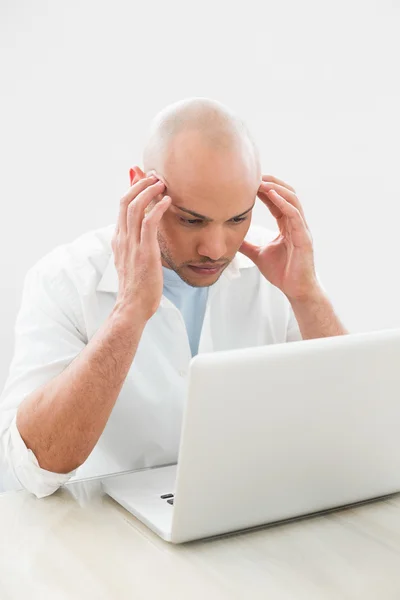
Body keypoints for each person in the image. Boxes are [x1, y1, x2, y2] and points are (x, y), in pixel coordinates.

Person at [0, 97, 347, 497]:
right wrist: (128, 313)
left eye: (238, 218)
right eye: (190, 220)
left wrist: (306, 296)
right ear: (140, 187)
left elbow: (352, 428)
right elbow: (30, 471)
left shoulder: (279, 266)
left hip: (244, 513)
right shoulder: (63, 278)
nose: (216, 248)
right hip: (104, 538)